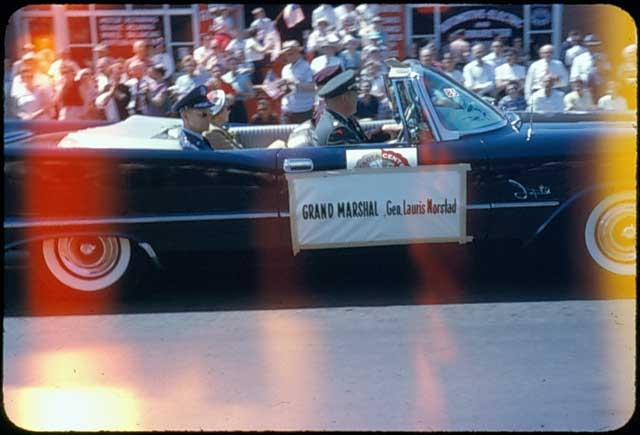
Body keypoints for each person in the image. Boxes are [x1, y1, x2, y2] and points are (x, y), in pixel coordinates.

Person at [314, 69, 397, 146]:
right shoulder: (337, 132)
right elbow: (360, 156)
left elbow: (362, 141)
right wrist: (392, 145)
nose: (357, 99)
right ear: (344, 98)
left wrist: (383, 131)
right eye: (355, 95)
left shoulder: (344, 119)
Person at [279, 40, 316, 124]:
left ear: (298, 53)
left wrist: (294, 82)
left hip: (303, 111)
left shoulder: (306, 67)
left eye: (290, 53)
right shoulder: (285, 69)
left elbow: (312, 87)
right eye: (286, 54)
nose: (288, 56)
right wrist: (281, 87)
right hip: (287, 110)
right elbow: (286, 90)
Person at [172, 85, 215, 151]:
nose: (209, 117)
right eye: (204, 114)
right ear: (185, 116)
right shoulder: (189, 147)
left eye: (210, 113)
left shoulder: (200, 140)